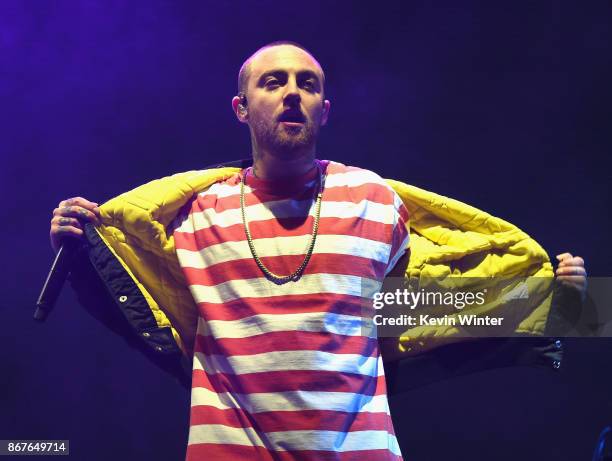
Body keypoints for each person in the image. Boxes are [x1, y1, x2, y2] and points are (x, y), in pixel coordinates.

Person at [49, 41, 587, 460]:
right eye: (273, 82)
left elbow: (432, 306)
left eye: (306, 84)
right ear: (241, 107)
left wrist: (561, 300)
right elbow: (132, 275)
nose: (291, 92)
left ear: (324, 110)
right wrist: (77, 241)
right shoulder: (196, 213)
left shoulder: (375, 201)